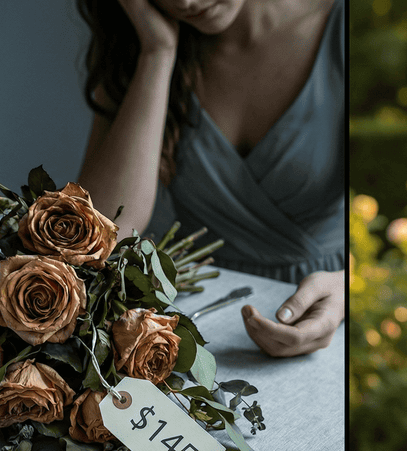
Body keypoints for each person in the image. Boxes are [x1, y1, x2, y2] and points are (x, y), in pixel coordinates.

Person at [76, 0, 344, 357]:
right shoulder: (136, 48)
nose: (186, 2)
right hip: (198, 327)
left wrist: (346, 289)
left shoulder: (338, 27)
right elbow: (98, 234)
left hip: (329, 321)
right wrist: (157, 54)